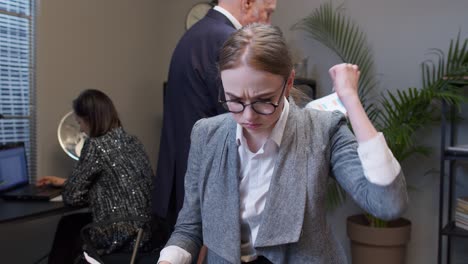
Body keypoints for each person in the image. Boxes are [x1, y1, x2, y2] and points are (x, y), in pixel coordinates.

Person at [157, 24, 408, 264]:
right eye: (234, 100)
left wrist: (351, 100)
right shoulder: (207, 135)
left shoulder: (323, 130)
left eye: (263, 100)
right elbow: (190, 228)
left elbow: (387, 204)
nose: (248, 116)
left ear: (288, 84)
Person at [154, 0, 278, 227]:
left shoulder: (196, 34)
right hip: (209, 182)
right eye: (267, 13)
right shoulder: (229, 41)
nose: (268, 24)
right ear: (247, 3)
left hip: (180, 173)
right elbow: (241, 120)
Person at [37, 89, 154, 264]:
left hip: (120, 234)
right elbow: (118, 183)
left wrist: (70, 186)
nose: (82, 130)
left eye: (80, 123)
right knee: (71, 224)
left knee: (68, 225)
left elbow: (72, 197)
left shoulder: (95, 146)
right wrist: (64, 182)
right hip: (145, 231)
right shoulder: (133, 141)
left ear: (90, 120)